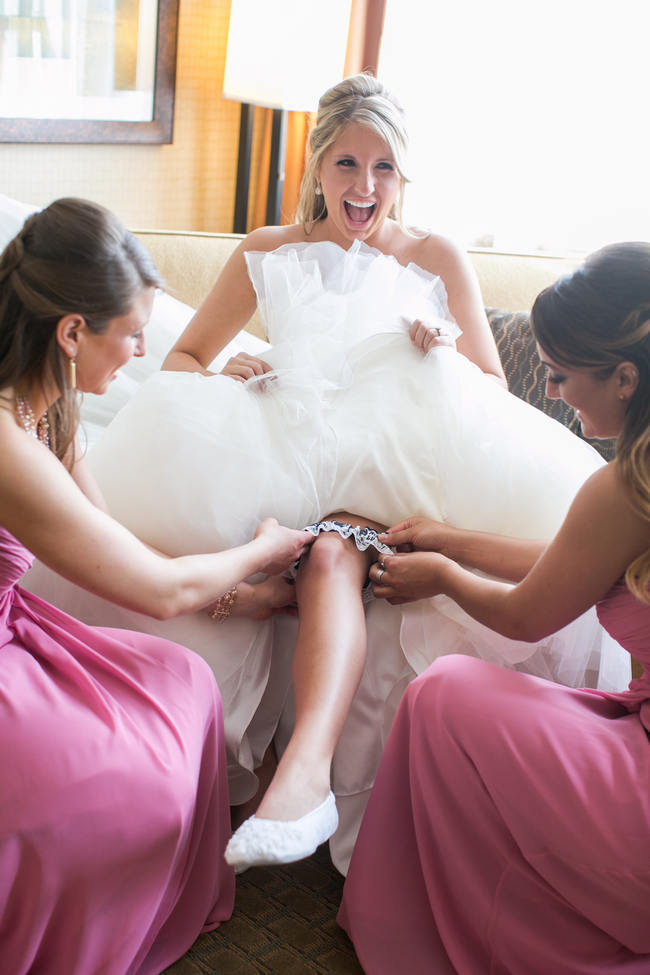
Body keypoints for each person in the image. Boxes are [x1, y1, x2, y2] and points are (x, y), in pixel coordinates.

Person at [24, 76, 627, 875]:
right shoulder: (267, 249)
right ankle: (259, 781)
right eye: (347, 163)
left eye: (383, 167)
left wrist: (438, 342)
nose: (364, 186)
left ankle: (309, 787)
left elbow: (493, 391)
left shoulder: (436, 255)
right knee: (275, 526)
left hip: (404, 457)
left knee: (343, 539)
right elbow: (186, 358)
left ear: (403, 176)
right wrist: (226, 367)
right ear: (317, 166)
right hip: (296, 444)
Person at [0, 198, 313, 975]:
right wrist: (263, 551)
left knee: (183, 678)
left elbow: (124, 551)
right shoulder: (6, 439)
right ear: (72, 332)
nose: (142, 350)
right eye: (131, 332)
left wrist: (245, 597)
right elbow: (158, 591)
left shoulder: (49, 406)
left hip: (16, 629)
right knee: (127, 776)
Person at [339, 240, 650, 974]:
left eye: (561, 375)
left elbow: (525, 616)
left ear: (627, 377)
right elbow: (574, 563)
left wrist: (442, 574)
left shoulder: (626, 488)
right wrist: (453, 540)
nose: (554, 392)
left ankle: (426, 929)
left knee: (442, 692)